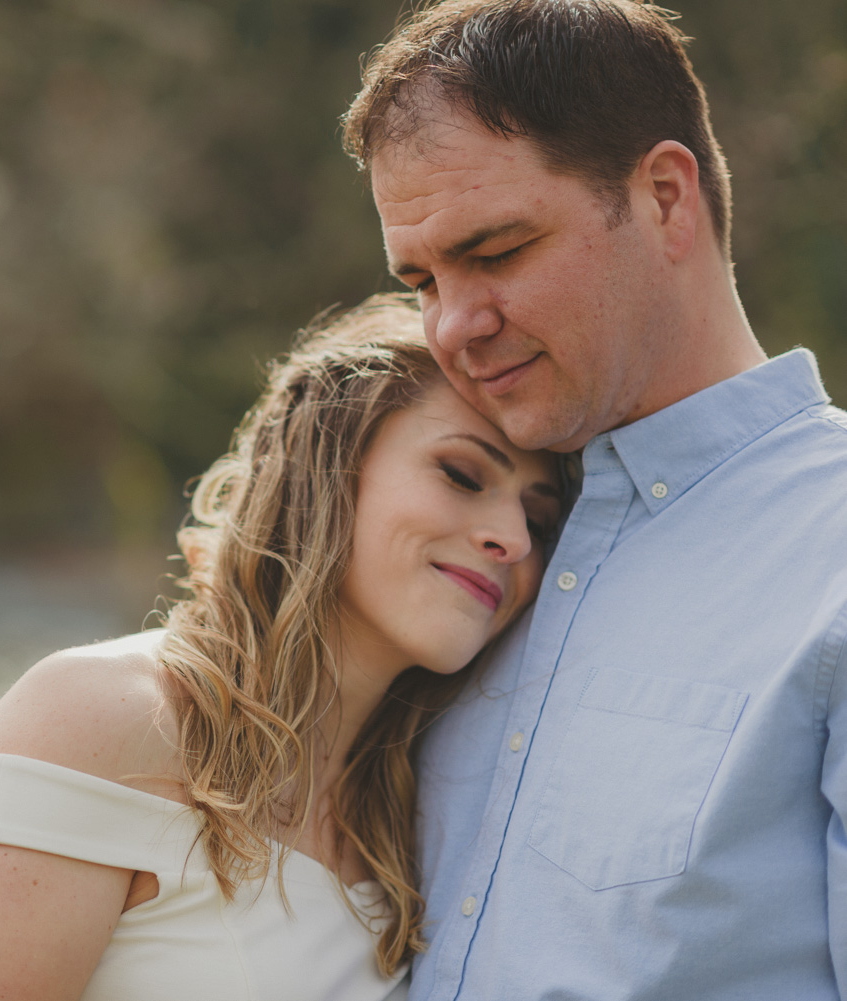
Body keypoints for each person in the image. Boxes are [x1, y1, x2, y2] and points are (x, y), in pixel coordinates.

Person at [340, 2, 847, 999]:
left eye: (494, 251)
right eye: (422, 280)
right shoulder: (467, 546)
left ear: (663, 198)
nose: (454, 326)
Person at [0, 296, 563, 1001]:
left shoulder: (415, 815)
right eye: (462, 474)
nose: (511, 539)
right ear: (327, 464)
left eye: (538, 520)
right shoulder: (104, 718)